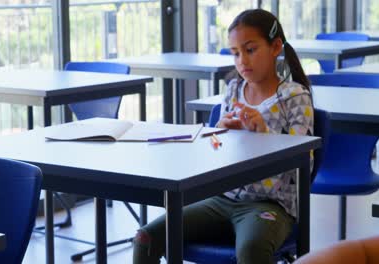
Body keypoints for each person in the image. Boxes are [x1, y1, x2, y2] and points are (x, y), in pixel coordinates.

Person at [133, 9, 314, 264]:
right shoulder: (232, 90)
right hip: (222, 199)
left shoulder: (295, 97)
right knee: (146, 238)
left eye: (250, 50)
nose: (242, 61)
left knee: (251, 249)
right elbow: (215, 153)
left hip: (271, 205)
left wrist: (264, 133)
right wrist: (218, 131)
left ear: (275, 47)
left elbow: (304, 166)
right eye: (235, 53)